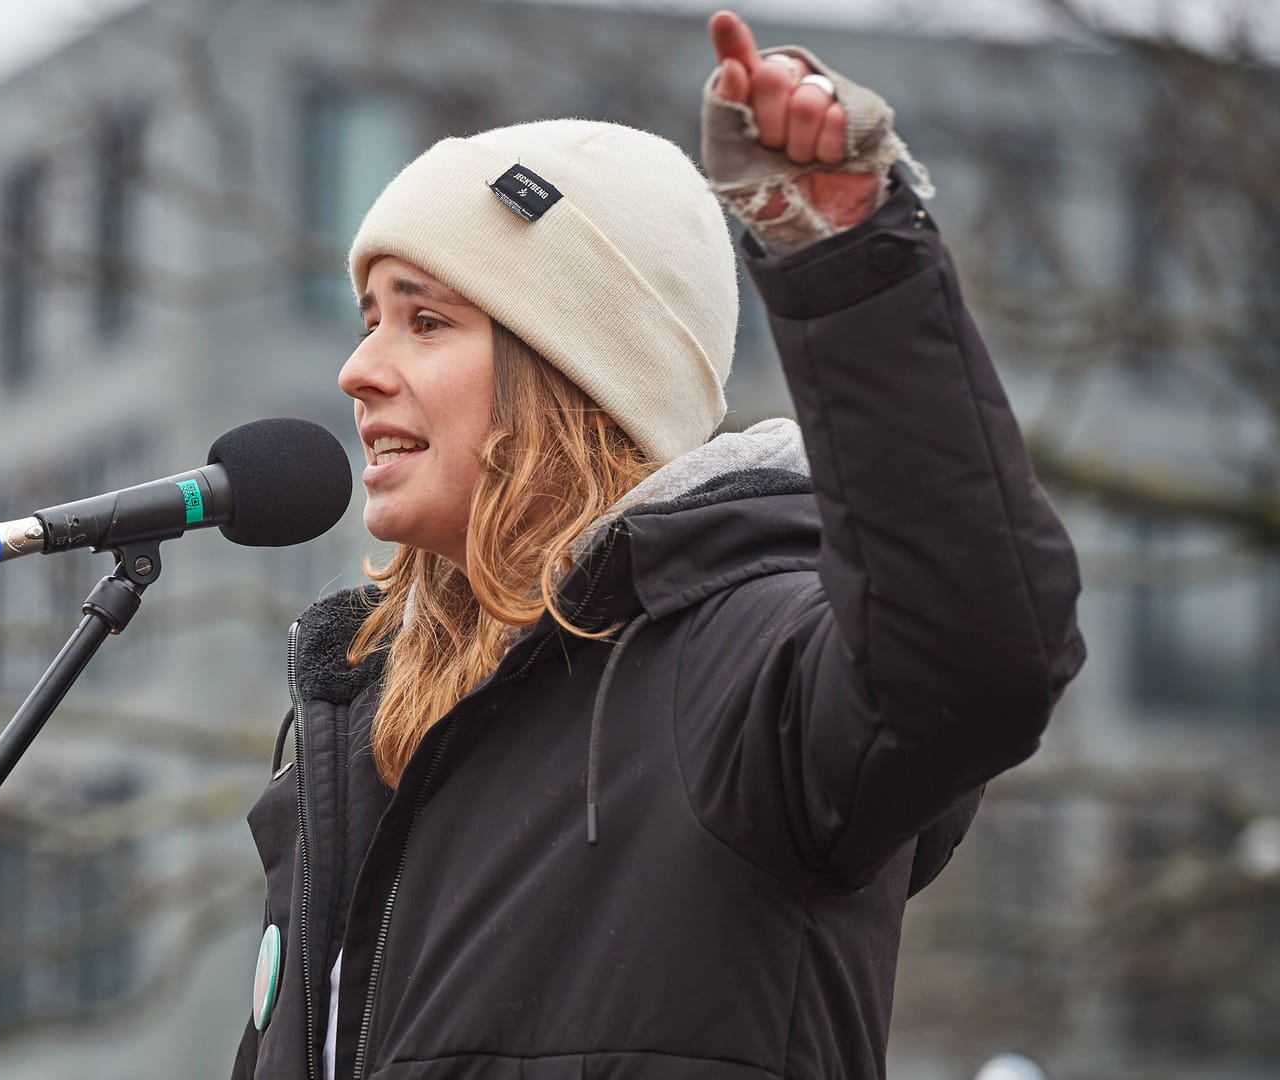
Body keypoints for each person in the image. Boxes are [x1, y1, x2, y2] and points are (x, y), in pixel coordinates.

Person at [231, 10, 1088, 1080]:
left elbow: (979, 656)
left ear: (573, 374)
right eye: (368, 318)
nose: (359, 369)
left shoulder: (750, 666)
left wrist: (852, 265)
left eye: (427, 320)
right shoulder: (352, 741)